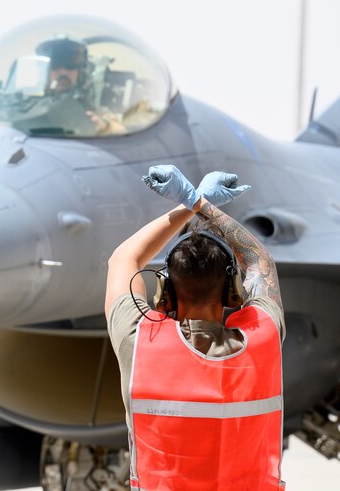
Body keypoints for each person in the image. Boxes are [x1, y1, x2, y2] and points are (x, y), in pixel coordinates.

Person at [104, 165, 285, 491]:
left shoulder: (141, 342)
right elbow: (260, 262)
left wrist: (186, 204)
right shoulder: (264, 337)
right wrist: (204, 206)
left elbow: (123, 260)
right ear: (233, 289)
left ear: (165, 294)